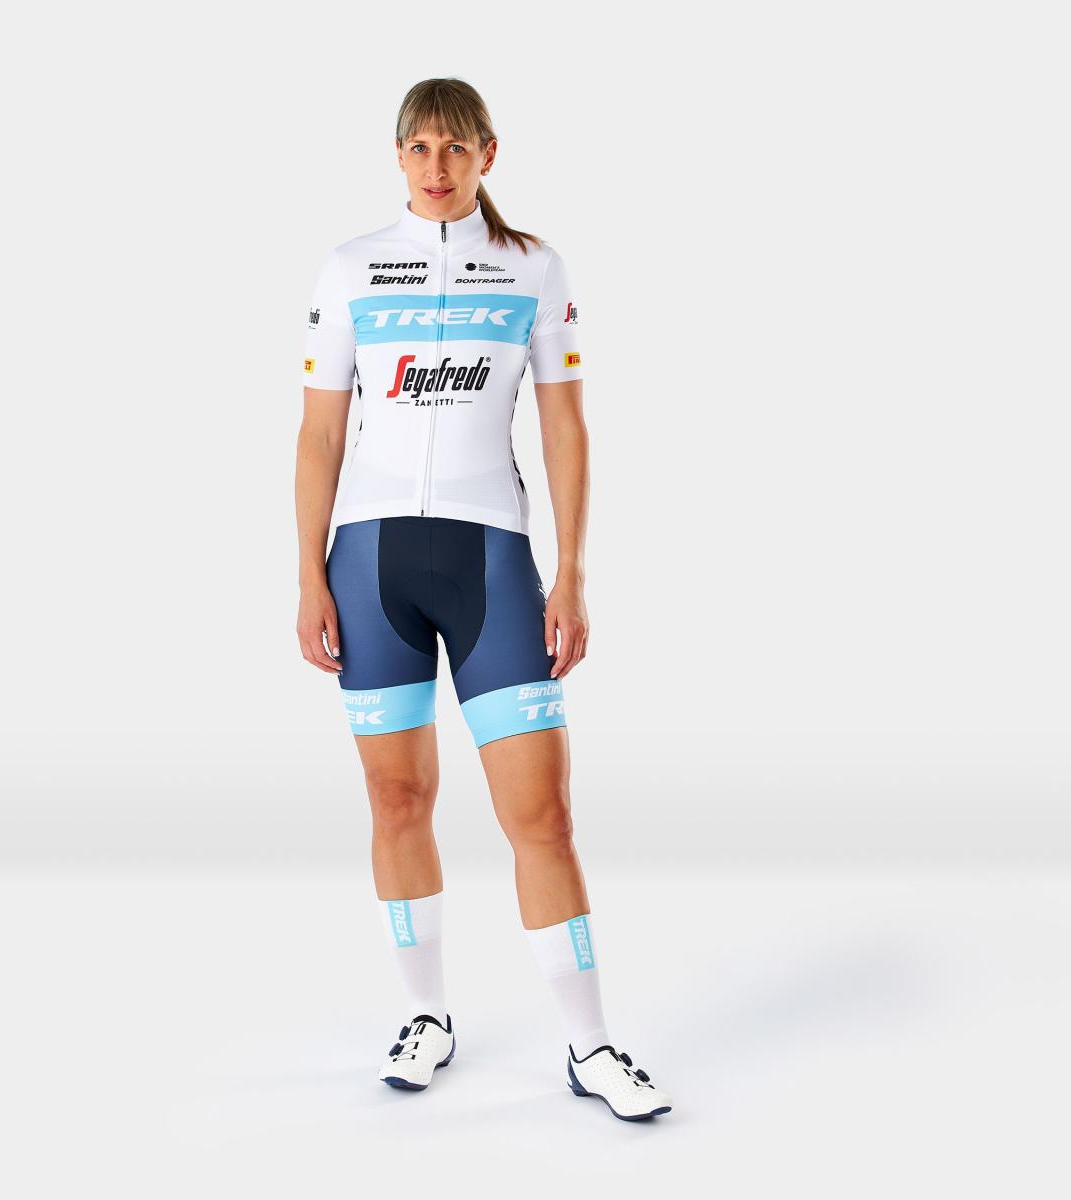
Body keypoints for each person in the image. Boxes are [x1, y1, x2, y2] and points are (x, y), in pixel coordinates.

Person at [294, 78, 672, 1122]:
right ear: (398, 156)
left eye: (455, 148)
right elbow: (319, 432)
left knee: (541, 814)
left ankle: (590, 1045)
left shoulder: (533, 267)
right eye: (419, 147)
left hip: (494, 563)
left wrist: (572, 573)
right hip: (369, 563)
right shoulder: (351, 268)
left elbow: (565, 428)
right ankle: (427, 1018)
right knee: (396, 802)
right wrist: (306, 573)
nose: (436, 166)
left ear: (487, 155)